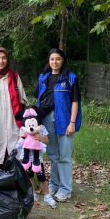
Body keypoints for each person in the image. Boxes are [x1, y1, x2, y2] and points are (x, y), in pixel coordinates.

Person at [35, 48, 82, 202]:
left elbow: (75, 102)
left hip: (64, 119)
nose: (54, 62)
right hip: (47, 119)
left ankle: (66, 189)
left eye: (58, 59)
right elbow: (38, 99)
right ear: (49, 61)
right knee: (53, 154)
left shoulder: (70, 78)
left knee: (64, 156)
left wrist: (72, 123)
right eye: (52, 59)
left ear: (63, 60)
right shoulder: (43, 78)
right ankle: (54, 184)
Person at [16, 106, 56, 206]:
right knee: (29, 176)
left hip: (38, 158)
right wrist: (22, 136)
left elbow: (47, 140)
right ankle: (33, 194)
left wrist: (40, 138)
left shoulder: (41, 128)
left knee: (41, 176)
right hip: (26, 158)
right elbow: (19, 141)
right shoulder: (23, 128)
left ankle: (47, 195)